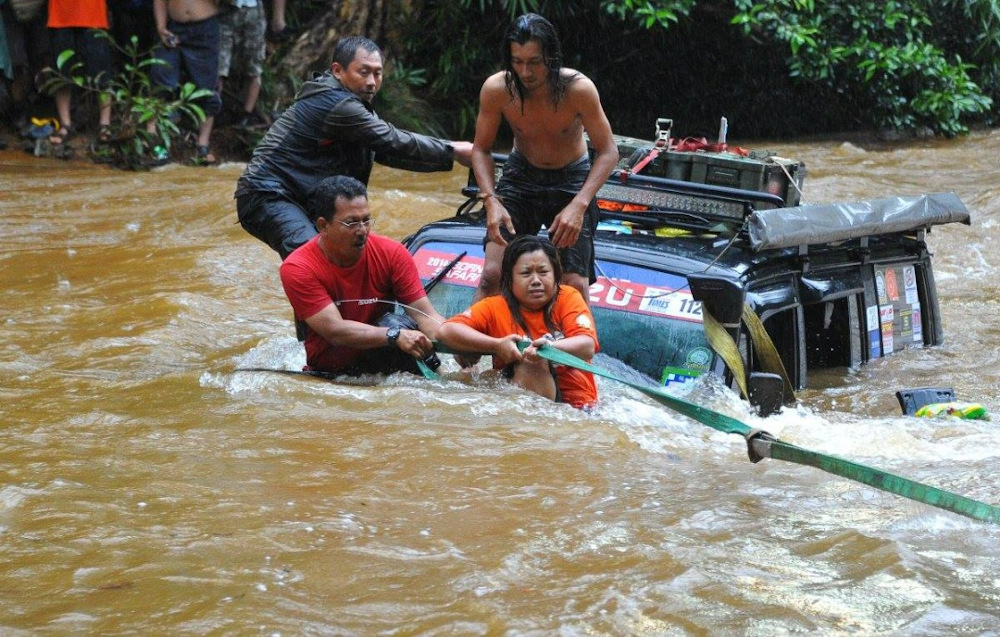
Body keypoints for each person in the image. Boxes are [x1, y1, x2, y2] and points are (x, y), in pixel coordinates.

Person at [236, 35, 473, 261]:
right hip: (267, 195)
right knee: (315, 261)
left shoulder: (351, 104)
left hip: (298, 197)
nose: (371, 82)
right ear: (338, 70)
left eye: (377, 73)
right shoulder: (335, 103)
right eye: (364, 72)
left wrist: (450, 159)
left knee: (345, 260)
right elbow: (391, 139)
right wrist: (452, 149)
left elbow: (385, 151)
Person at [471, 13, 618, 304]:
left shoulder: (579, 89)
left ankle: (574, 348)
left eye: (534, 62)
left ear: (551, 57)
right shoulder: (497, 89)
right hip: (520, 176)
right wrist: (490, 201)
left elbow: (608, 151)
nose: (525, 72)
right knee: (491, 274)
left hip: (571, 180)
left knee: (573, 283)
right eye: (517, 62)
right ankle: (469, 348)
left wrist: (579, 204)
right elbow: (481, 149)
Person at [279, 175, 444, 376]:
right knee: (394, 326)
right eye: (351, 223)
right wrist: (395, 335)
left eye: (366, 220)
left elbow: (425, 315)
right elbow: (335, 331)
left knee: (399, 325)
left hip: (385, 362)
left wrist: (460, 340)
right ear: (323, 226)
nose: (362, 230)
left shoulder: (392, 252)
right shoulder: (298, 267)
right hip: (332, 375)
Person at [438, 235, 599, 409]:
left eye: (543, 272)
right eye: (526, 273)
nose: (536, 281)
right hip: (515, 406)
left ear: (556, 275)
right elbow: (446, 331)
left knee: (533, 360)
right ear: (509, 280)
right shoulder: (494, 306)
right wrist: (497, 345)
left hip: (578, 410)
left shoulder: (568, 297)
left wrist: (548, 349)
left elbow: (587, 346)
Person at [149, 0, 221, 165]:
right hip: (173, 27)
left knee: (207, 86)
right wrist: (161, 27)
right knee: (161, 78)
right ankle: (152, 141)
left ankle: (203, 144)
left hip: (205, 28)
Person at [45, 0, 114, 149]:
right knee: (62, 71)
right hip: (61, 13)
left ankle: (105, 123)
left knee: (101, 70)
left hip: (93, 13)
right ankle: (65, 124)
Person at [217, 0, 266, 128]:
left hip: (253, 8)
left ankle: (246, 115)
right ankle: (212, 112)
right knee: (218, 67)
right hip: (224, 8)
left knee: (254, 66)